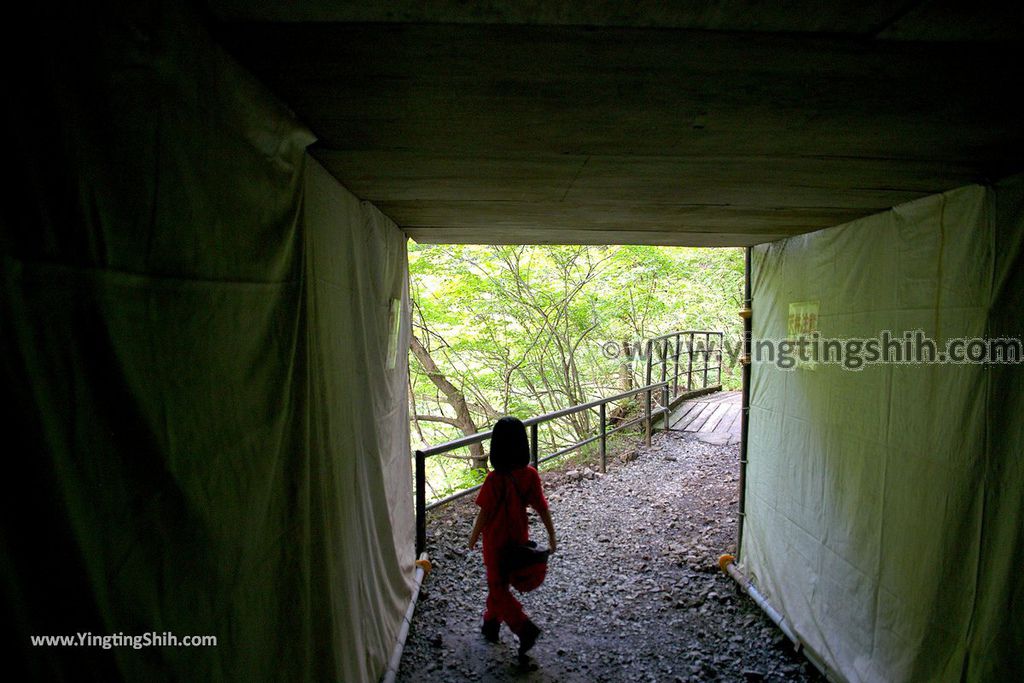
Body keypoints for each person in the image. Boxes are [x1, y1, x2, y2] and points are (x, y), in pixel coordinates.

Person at [467, 416, 557, 658]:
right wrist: (551, 534)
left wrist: (473, 538)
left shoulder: (493, 480)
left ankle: (523, 628)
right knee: (499, 585)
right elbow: (542, 506)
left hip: (495, 543)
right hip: (518, 537)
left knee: (497, 585)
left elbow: (484, 514)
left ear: (496, 447)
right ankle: (490, 625)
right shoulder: (529, 476)